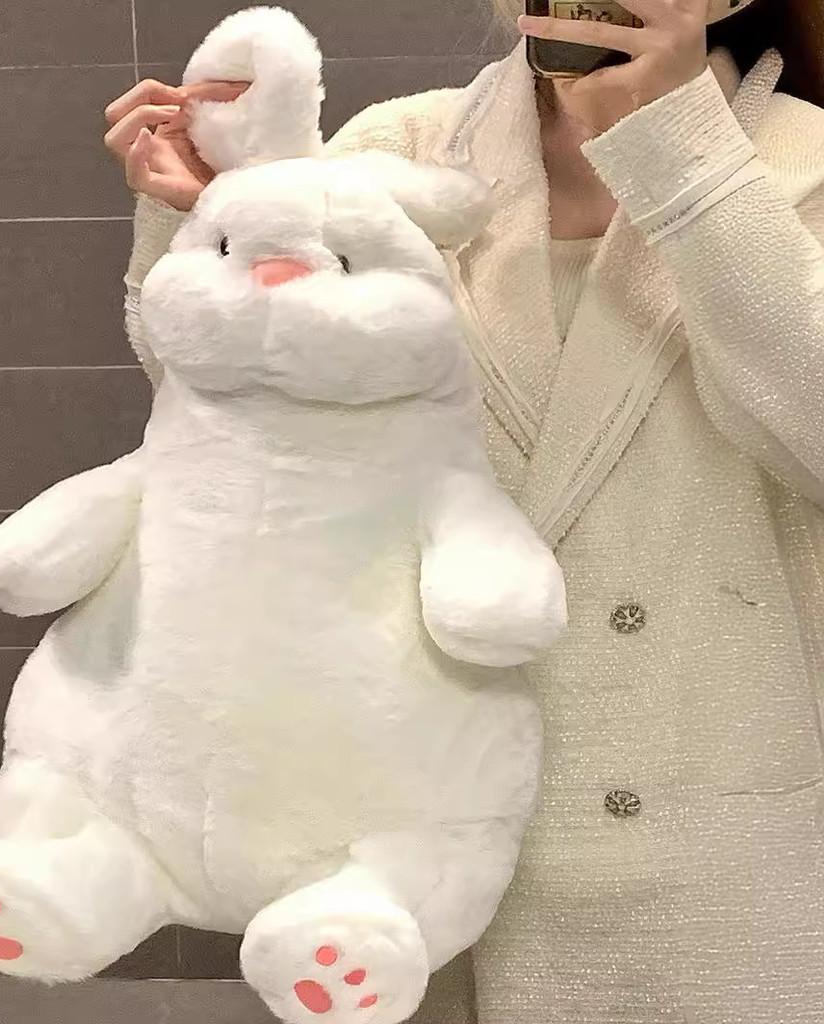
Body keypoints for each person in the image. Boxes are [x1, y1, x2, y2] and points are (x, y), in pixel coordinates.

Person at [103, 0, 824, 1019]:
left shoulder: (804, 162)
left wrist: (682, 151)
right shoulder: (395, 151)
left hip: (713, 800)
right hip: (433, 800)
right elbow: (252, 432)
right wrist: (209, 225)